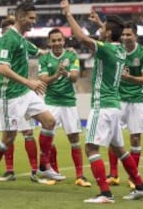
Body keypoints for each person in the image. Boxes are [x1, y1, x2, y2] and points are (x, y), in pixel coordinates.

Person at [60, 0, 143, 203]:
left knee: (91, 148)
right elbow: (112, 36)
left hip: (102, 106)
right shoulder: (120, 49)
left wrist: (68, 14)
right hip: (115, 106)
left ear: (108, 34)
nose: (100, 31)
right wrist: (103, 25)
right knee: (119, 149)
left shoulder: (108, 49)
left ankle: (105, 193)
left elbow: (82, 38)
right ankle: (140, 186)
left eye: (103, 30)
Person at [0, 2, 61, 192]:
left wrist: (61, 53)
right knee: (8, 138)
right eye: (31, 18)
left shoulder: (23, 40)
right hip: (10, 96)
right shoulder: (9, 39)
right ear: (20, 17)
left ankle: (44, 165)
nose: (34, 21)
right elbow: (2, 69)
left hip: (25, 93)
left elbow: (41, 52)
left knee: (50, 121)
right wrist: (29, 82)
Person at [38, 28, 91, 187]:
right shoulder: (44, 58)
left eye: (59, 40)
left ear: (64, 40)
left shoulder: (71, 55)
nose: (56, 43)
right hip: (51, 102)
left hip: (68, 102)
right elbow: (43, 79)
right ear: (49, 42)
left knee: (74, 139)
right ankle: (54, 172)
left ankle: (80, 176)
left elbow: (75, 77)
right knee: (49, 139)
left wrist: (65, 73)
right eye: (53, 40)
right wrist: (56, 75)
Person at [106, 21, 143, 188]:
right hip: (117, 99)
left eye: (128, 35)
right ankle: (113, 174)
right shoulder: (117, 51)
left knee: (135, 138)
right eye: (123, 35)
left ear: (135, 36)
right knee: (112, 136)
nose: (125, 38)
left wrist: (129, 78)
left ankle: (133, 177)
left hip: (136, 100)